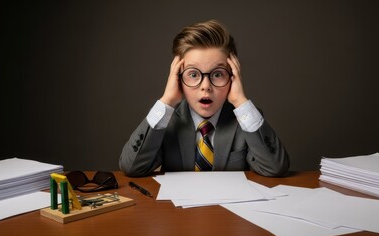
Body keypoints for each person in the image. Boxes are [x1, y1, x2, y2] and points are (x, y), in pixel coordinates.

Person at [119, 19, 289, 177]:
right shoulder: (166, 121)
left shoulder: (246, 119)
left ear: (232, 76)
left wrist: (240, 101)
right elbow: (132, 167)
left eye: (217, 74)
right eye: (193, 74)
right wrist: (167, 100)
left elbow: (275, 168)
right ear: (177, 78)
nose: (205, 85)